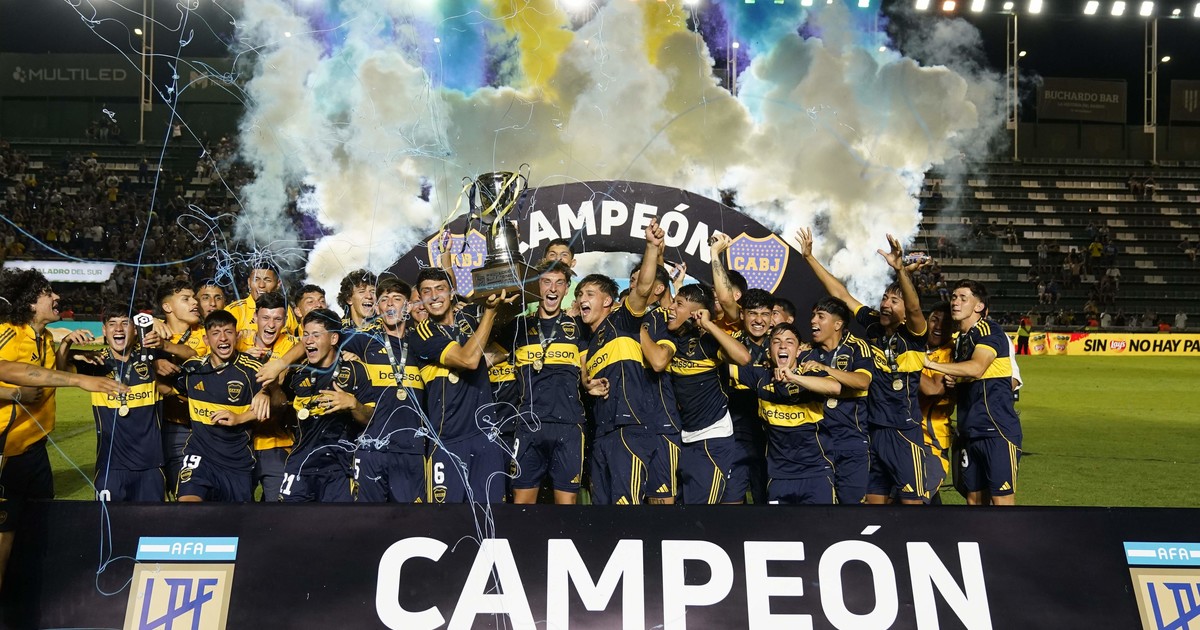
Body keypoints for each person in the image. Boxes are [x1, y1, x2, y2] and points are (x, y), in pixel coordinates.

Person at [0, 269, 126, 592]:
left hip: (34, 450)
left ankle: (25, 604)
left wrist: (67, 346)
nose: (57, 297)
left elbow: (48, 373)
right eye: (48, 293)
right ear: (30, 303)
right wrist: (76, 380)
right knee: (4, 541)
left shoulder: (42, 337)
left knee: (39, 529)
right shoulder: (9, 332)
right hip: (6, 454)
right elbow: (5, 368)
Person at [796, 228, 942, 505]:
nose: (886, 304)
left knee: (912, 504)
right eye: (885, 298)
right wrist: (810, 258)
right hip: (871, 429)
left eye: (894, 301)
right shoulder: (873, 324)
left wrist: (900, 271)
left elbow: (914, 308)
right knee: (873, 505)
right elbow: (841, 294)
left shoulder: (914, 335)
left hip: (903, 430)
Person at [576, 220, 669, 505]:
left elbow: (643, 288)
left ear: (608, 301)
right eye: (579, 294)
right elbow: (586, 381)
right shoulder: (588, 343)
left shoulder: (623, 320)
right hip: (602, 434)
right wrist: (587, 385)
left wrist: (651, 247)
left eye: (589, 294)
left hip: (630, 429)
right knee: (603, 513)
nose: (581, 299)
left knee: (626, 509)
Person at [407, 268, 515, 504]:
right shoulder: (422, 334)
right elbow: (468, 360)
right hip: (448, 441)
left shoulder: (469, 319)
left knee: (493, 517)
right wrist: (490, 312)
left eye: (440, 289)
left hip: (486, 438)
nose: (434, 296)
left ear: (452, 292)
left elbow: (511, 312)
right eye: (427, 291)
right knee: (446, 520)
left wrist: (504, 297)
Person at [641, 283, 751, 505]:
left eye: (679, 304)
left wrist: (709, 325)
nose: (671, 307)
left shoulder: (706, 341)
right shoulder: (673, 339)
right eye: (674, 302)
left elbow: (743, 358)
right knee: (685, 513)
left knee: (701, 516)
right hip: (684, 438)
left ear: (695, 313)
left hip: (711, 439)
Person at [924, 280, 1023, 506]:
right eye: (954, 297)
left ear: (979, 306)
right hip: (969, 431)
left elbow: (977, 368)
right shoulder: (961, 341)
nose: (955, 302)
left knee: (1001, 499)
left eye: (963, 298)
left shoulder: (989, 330)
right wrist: (956, 380)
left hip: (996, 430)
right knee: (974, 500)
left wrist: (929, 363)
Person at [498, 261, 588, 504]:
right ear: (536, 286)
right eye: (546, 282)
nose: (553, 288)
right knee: (522, 506)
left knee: (566, 506)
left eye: (559, 283)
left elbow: (587, 370)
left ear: (567, 288)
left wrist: (591, 382)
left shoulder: (578, 326)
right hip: (528, 425)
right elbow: (483, 358)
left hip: (569, 425)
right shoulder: (518, 326)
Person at [729, 323, 842, 504]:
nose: (783, 346)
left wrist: (794, 377)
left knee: (820, 524)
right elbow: (722, 363)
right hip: (778, 476)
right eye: (777, 342)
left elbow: (835, 387)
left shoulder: (811, 373)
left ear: (798, 351)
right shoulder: (760, 376)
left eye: (789, 342)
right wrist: (708, 326)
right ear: (769, 351)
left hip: (816, 474)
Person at [341, 277, 426, 503]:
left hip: (411, 450)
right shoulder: (363, 340)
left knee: (412, 520)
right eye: (384, 299)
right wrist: (279, 364)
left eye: (397, 299)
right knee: (367, 520)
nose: (389, 304)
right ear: (378, 307)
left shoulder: (421, 343)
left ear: (408, 306)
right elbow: (323, 339)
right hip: (371, 449)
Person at [276, 309, 374, 502]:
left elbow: (370, 418)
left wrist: (353, 405)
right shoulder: (297, 375)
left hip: (339, 469)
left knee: (337, 522)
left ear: (334, 339)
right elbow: (279, 407)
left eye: (316, 335)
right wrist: (270, 389)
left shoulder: (356, 370)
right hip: (300, 465)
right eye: (305, 334)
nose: (308, 341)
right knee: (288, 520)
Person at [173, 310, 270, 502]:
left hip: (237, 462)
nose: (223, 338)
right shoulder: (193, 369)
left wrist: (242, 415)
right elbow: (168, 389)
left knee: (232, 519)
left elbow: (277, 403)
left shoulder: (252, 369)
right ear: (206, 339)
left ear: (237, 336)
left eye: (228, 332)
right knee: (187, 509)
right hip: (200, 456)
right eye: (216, 333)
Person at [73, 310, 168, 502]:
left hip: (150, 464)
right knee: (109, 520)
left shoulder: (151, 359)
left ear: (135, 329)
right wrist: (67, 344)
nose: (118, 328)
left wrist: (160, 333)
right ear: (104, 330)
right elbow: (61, 370)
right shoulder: (96, 361)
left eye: (125, 323)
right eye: (112, 323)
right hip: (110, 466)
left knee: (153, 520)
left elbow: (190, 354)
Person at [800, 297, 873, 505]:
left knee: (852, 507)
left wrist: (826, 369)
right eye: (813, 316)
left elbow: (863, 381)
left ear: (838, 324)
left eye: (820, 316)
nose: (813, 321)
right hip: (817, 443)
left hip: (851, 441)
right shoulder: (806, 353)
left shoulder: (857, 347)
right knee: (820, 507)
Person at [234, 292, 297, 502]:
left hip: (275, 442)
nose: (271, 325)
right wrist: (241, 357)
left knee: (279, 510)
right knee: (236, 509)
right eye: (266, 318)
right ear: (255, 318)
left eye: (277, 319)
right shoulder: (238, 341)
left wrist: (266, 388)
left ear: (285, 321)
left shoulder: (289, 344)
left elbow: (283, 372)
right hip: (240, 442)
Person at [727, 289, 773, 503]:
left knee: (769, 503)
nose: (759, 320)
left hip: (773, 436)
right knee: (732, 499)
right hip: (737, 433)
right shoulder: (729, 344)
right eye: (753, 313)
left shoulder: (783, 345)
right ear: (742, 314)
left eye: (765, 314)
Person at [917, 302, 955, 501]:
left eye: (946, 322)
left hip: (931, 441)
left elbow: (933, 389)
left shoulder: (952, 353)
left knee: (918, 497)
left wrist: (908, 360)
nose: (939, 326)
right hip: (903, 436)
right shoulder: (917, 346)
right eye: (934, 320)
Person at [225, 261, 299, 335]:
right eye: (256, 279)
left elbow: (295, 338)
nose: (261, 285)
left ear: (278, 284)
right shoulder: (234, 310)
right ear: (249, 282)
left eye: (267, 280)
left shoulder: (285, 309)